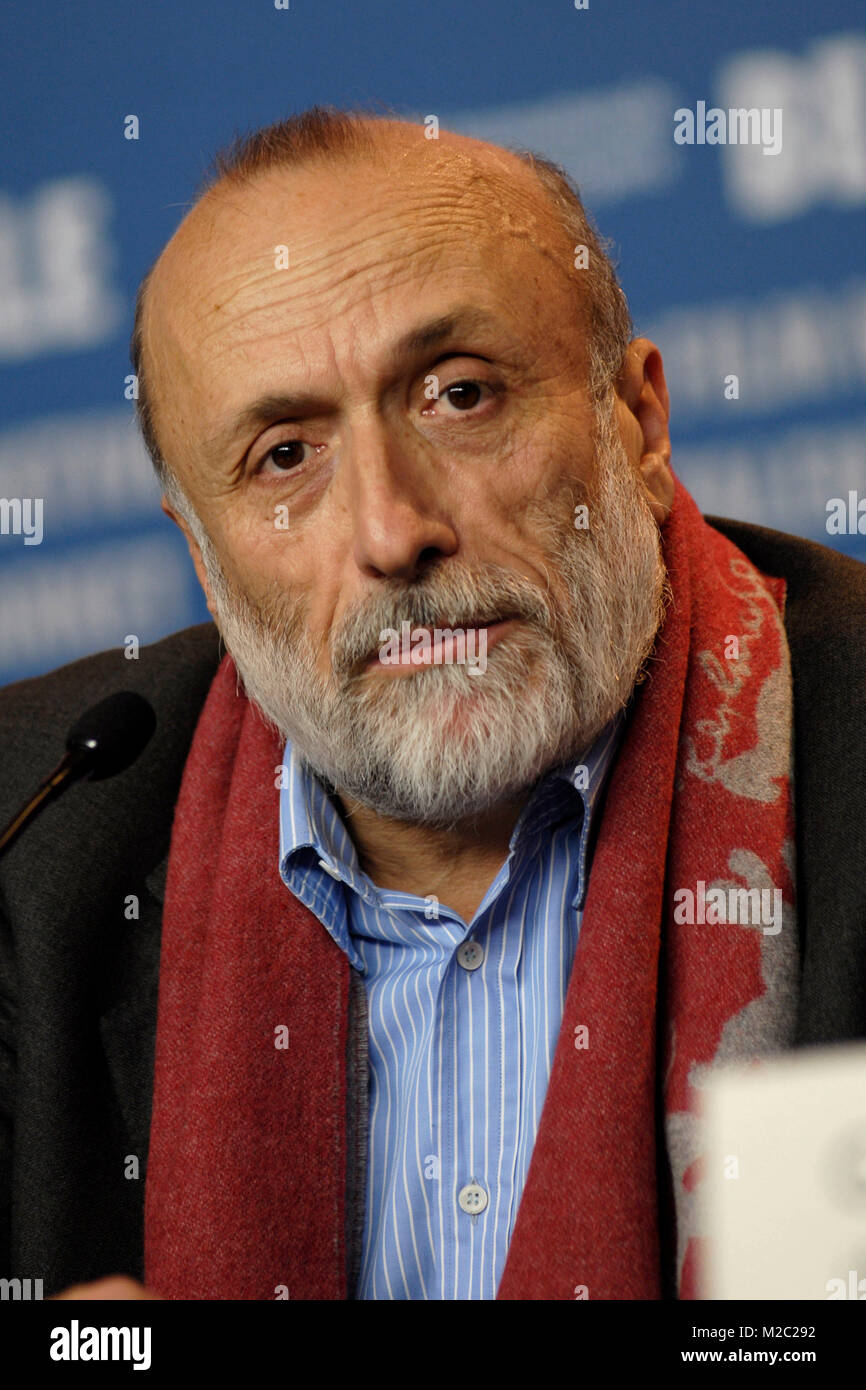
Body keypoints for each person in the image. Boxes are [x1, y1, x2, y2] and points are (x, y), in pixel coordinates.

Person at [1, 105, 864, 1302]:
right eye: (284, 457)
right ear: (202, 557)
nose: (393, 531)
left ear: (638, 420)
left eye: (458, 395)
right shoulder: (33, 840)